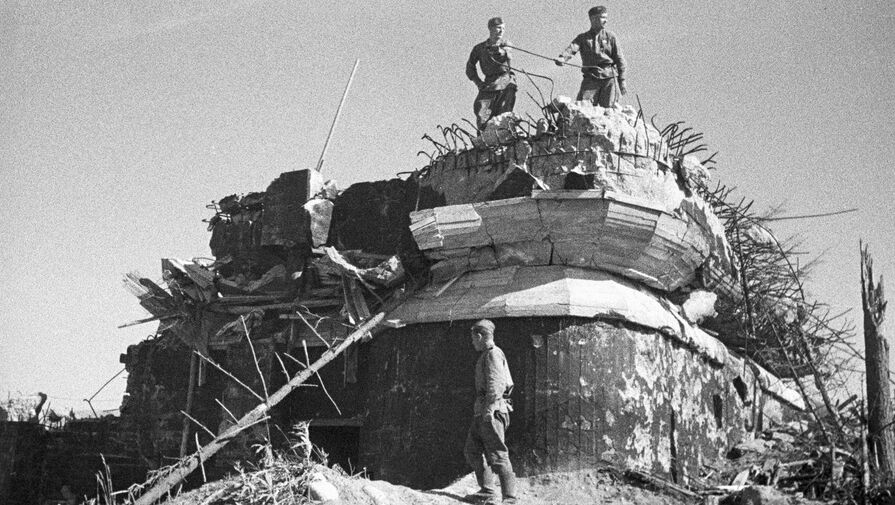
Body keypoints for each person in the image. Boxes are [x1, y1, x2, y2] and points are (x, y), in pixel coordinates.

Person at [464, 319, 517, 504]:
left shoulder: (493, 354)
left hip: (491, 411)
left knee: (498, 455)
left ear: (480, 336)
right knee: (472, 450)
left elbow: (497, 384)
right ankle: (487, 491)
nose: (472, 342)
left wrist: (489, 409)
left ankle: (509, 498)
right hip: (483, 411)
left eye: (473, 338)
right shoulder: (486, 355)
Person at [555, 6, 627, 107]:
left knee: (610, 110)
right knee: (582, 107)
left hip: (609, 79)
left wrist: (622, 81)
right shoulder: (583, 38)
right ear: (593, 19)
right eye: (602, 17)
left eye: (606, 17)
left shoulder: (611, 37)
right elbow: (572, 48)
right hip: (591, 78)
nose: (605, 21)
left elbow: (620, 60)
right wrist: (563, 58)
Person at [466, 17, 517, 129]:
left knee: (504, 113)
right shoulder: (479, 48)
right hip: (489, 84)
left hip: (505, 81)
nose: (501, 31)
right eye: (498, 28)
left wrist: (500, 51)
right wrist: (478, 82)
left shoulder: (506, 44)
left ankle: (503, 133)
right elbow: (470, 67)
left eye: (503, 28)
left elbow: (507, 56)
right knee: (481, 111)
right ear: (490, 28)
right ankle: (485, 135)